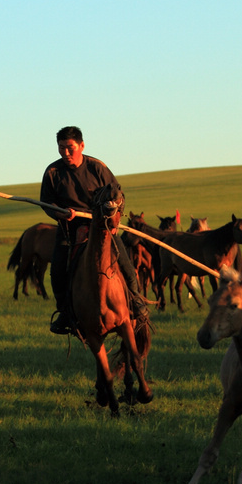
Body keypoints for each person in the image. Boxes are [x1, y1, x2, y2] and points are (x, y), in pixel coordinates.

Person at [39, 126, 149, 335]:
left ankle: (135, 299)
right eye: (61, 148)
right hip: (69, 228)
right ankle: (64, 312)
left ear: (81, 145)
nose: (66, 153)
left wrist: (114, 222)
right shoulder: (52, 172)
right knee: (57, 270)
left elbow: (118, 196)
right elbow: (46, 203)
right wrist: (61, 214)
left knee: (123, 260)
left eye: (70, 148)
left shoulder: (97, 167)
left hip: (101, 225)